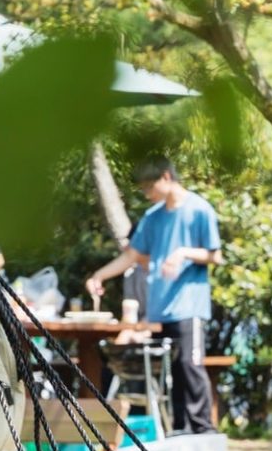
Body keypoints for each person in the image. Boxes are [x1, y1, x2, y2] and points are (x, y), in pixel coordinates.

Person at [84, 156, 223, 435]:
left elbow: (215, 255)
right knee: (171, 372)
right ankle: (180, 429)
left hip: (189, 305)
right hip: (161, 310)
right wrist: (99, 276)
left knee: (190, 365)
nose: (147, 194)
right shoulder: (153, 217)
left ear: (167, 177)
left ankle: (203, 430)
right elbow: (132, 256)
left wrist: (183, 252)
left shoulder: (199, 210)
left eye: (150, 187)